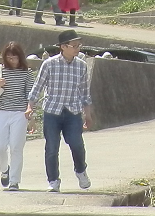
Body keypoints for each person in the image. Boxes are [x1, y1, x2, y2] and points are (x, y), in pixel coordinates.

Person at [27, 29, 93, 193]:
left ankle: (80, 171)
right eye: (74, 45)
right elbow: (38, 87)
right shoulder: (49, 64)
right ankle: (53, 180)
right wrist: (30, 106)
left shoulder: (81, 66)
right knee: (52, 148)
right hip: (52, 112)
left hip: (73, 112)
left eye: (79, 45)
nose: (77, 48)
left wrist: (88, 113)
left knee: (76, 144)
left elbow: (85, 92)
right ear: (63, 47)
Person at [0, 42, 32, 190]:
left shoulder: (27, 72)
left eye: (14, 57)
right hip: (1, 111)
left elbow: (30, 95)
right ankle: (5, 169)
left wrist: (32, 115)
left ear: (20, 57)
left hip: (20, 113)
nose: (12, 60)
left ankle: (14, 181)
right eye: (9, 57)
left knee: (16, 147)